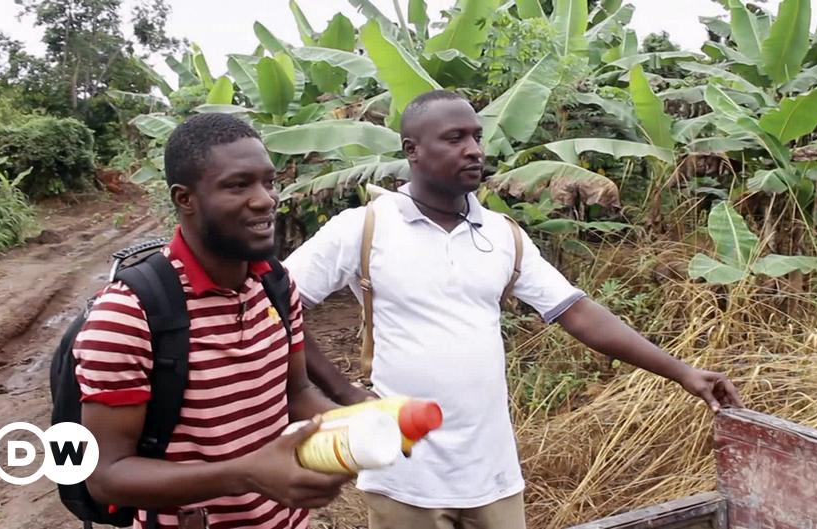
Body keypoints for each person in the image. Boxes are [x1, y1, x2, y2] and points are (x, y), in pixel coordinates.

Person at [284, 90, 744, 529]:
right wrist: (341, 390)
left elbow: (578, 313)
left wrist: (681, 371)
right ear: (412, 150)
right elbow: (280, 307)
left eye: (477, 137)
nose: (473, 150)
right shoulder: (364, 228)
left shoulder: (502, 234)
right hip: (406, 474)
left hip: (492, 471)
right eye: (454, 138)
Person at [74, 113, 349, 529]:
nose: (265, 199)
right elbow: (105, 476)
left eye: (268, 182)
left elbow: (295, 392)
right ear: (185, 199)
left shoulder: (275, 283)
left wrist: (353, 429)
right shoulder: (129, 315)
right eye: (238, 185)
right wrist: (246, 474)